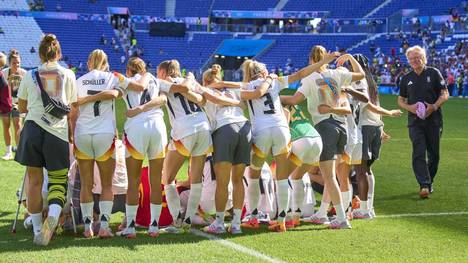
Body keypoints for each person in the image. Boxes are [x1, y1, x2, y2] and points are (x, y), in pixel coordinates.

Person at [239, 55, 339, 232]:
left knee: (253, 175)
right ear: (263, 71)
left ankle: (253, 217)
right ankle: (281, 221)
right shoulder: (275, 82)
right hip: (281, 130)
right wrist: (323, 62)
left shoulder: (246, 86)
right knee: (282, 177)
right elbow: (300, 74)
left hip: (261, 131)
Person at [280, 46, 366, 229]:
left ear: (312, 59)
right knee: (331, 175)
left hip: (324, 126)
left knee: (329, 177)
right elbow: (361, 75)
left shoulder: (310, 77)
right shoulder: (338, 73)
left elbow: (295, 100)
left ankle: (341, 218)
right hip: (342, 127)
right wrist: (349, 57)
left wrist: (275, 98)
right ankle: (325, 214)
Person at [15, 34, 77, 246]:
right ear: (58, 53)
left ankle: (37, 230)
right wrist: (72, 135)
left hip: (32, 129)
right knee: (58, 182)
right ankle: (51, 222)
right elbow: (72, 108)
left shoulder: (29, 75)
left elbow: (22, 108)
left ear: (41, 54)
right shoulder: (68, 74)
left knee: (33, 182)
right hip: (56, 133)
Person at [116, 58, 188, 238]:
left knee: (133, 181)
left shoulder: (125, 81)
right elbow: (165, 97)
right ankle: (154, 227)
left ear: (128, 70)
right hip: (158, 127)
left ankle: (131, 227)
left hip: (136, 128)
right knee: (156, 180)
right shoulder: (156, 80)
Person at [72, 49, 135, 238]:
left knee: (86, 184)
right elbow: (119, 92)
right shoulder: (112, 77)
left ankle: (87, 227)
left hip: (83, 133)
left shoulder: (79, 80)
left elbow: (73, 110)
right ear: (106, 62)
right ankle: (105, 226)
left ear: (89, 62)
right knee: (107, 184)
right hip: (105, 134)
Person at [157, 60, 210, 233]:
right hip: (203, 126)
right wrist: (190, 78)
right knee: (196, 178)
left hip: (184, 128)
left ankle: (177, 220)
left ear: (164, 73)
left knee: (168, 177)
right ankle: (188, 219)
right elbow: (202, 100)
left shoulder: (164, 83)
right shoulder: (191, 81)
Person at [349, 54, 401, 219]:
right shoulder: (372, 83)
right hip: (376, 128)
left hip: (365, 128)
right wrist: (382, 127)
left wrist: (389, 113)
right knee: (368, 170)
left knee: (360, 170)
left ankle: (364, 209)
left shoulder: (358, 81)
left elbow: (368, 105)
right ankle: (369, 207)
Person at [397, 45, 448, 198]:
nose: (415, 60)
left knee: (434, 155)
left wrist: (433, 106)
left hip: (434, 120)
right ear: (408, 60)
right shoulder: (406, 78)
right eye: (412, 58)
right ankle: (424, 185)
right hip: (415, 122)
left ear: (424, 58)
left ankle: (429, 181)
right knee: (418, 152)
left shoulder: (433, 73)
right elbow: (400, 99)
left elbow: (445, 93)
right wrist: (409, 107)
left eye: (418, 57)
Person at [1, 49, 26, 160]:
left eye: (18, 63)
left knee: (17, 124)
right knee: (6, 125)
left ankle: (19, 150)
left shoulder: (24, 73)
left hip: (18, 102)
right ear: (9, 63)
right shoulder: (5, 72)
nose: (17, 65)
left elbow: (27, 91)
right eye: (14, 63)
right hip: (6, 102)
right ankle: (8, 151)